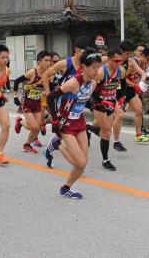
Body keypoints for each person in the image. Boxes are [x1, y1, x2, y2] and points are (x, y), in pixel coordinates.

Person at [45, 48, 102, 199]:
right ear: (84, 67)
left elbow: (85, 99)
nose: (97, 70)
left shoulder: (93, 84)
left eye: (98, 66)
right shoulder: (73, 83)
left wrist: (96, 105)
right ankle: (57, 144)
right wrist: (55, 120)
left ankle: (66, 188)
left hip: (80, 122)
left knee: (83, 162)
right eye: (94, 67)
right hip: (66, 123)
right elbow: (51, 97)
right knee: (81, 163)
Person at [87, 47, 126, 171]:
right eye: (115, 60)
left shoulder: (121, 70)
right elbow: (91, 93)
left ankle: (87, 128)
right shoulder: (100, 73)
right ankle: (105, 160)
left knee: (106, 133)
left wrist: (120, 99)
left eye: (120, 61)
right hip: (98, 102)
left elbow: (123, 87)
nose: (118, 63)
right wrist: (101, 102)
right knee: (108, 131)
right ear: (109, 59)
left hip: (110, 102)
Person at [111, 40, 149, 151]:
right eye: (127, 53)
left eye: (130, 54)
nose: (129, 56)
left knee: (138, 110)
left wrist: (141, 82)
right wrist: (134, 85)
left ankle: (138, 135)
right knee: (109, 118)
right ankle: (90, 128)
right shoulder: (113, 61)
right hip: (115, 91)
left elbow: (143, 73)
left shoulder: (131, 61)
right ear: (121, 52)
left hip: (129, 90)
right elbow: (123, 79)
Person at [13, 50, 52, 153]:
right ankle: (20, 121)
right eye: (46, 60)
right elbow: (17, 81)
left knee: (38, 126)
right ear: (39, 62)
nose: (49, 63)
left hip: (38, 102)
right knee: (34, 127)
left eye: (50, 60)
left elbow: (49, 90)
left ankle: (27, 144)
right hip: (27, 102)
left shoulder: (50, 75)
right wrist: (15, 96)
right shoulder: (32, 72)